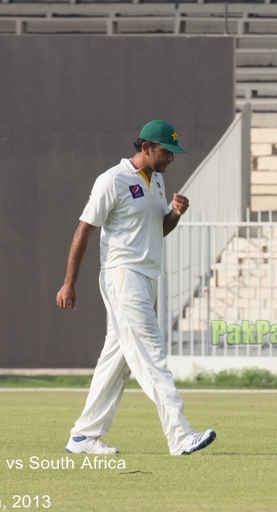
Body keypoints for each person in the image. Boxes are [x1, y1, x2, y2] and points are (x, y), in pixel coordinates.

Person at [56, 120, 215, 456]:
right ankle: (180, 435)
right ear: (145, 148)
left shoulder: (156, 180)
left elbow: (158, 229)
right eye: (166, 151)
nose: (172, 158)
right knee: (151, 355)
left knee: (119, 359)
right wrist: (69, 282)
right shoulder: (112, 180)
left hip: (146, 278)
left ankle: (84, 435)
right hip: (123, 276)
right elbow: (83, 230)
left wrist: (174, 212)